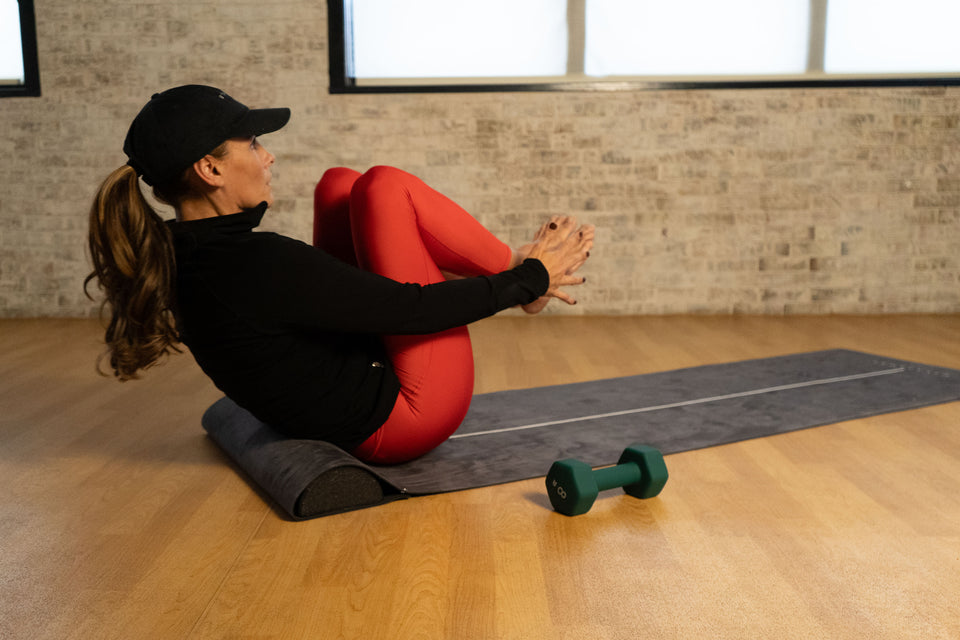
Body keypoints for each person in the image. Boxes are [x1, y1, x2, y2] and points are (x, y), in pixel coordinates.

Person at [86, 85, 593, 465]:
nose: (269, 157)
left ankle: (521, 265)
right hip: (404, 420)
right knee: (386, 186)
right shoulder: (258, 261)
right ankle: (526, 269)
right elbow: (416, 310)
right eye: (253, 144)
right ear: (210, 170)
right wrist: (528, 278)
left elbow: (330, 302)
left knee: (340, 186)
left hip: (345, 397)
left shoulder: (179, 253)